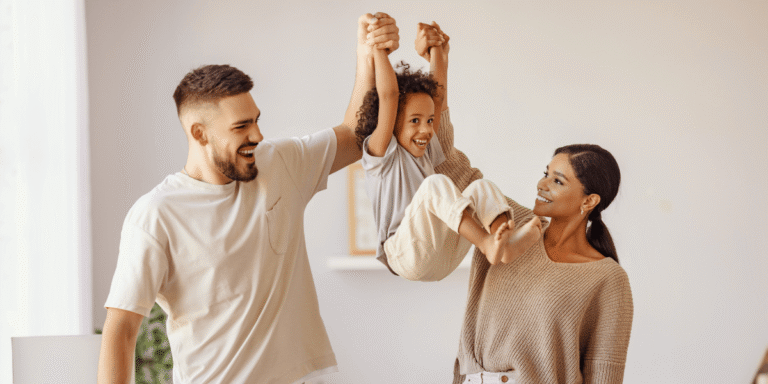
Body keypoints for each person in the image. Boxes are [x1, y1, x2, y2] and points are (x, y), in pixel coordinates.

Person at [97, 13, 400, 384]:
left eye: (256, 119)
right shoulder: (156, 215)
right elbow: (122, 329)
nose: (257, 134)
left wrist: (367, 53)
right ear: (200, 134)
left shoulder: (280, 163)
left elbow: (357, 136)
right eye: (241, 127)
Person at [405, 23, 634, 384]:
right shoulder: (504, 224)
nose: (542, 184)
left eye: (558, 181)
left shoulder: (607, 279)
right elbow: (445, 159)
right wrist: (439, 63)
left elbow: (604, 375)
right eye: (546, 173)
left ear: (589, 200)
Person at [356, 22, 542, 281]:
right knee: (436, 184)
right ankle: (487, 244)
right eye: (414, 121)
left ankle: (504, 243)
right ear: (391, 123)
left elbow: (439, 98)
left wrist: (438, 54)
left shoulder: (427, 151)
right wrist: (379, 49)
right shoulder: (382, 156)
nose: (426, 130)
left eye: (429, 121)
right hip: (404, 254)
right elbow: (388, 95)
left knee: (480, 187)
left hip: (440, 257)